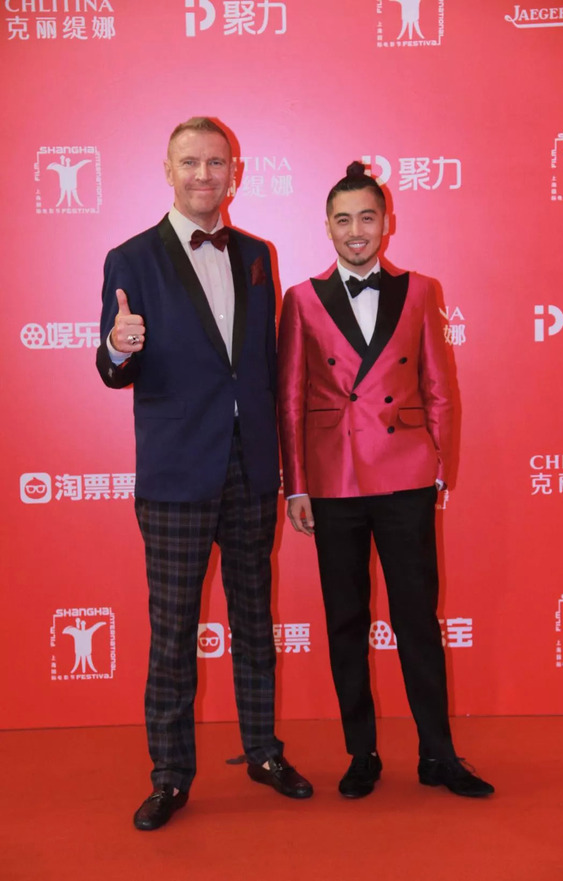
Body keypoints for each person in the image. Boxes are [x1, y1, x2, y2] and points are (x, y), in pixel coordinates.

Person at [97, 117, 313, 831]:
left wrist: (284, 467)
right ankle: (170, 776)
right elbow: (111, 366)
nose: (203, 175)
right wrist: (119, 345)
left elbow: (264, 366)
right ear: (168, 170)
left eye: (216, 163)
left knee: (254, 622)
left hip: (251, 468)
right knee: (173, 635)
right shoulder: (131, 258)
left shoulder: (256, 254)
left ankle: (263, 752)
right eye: (190, 162)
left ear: (234, 173)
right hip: (176, 472)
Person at [277, 161, 494, 800]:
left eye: (366, 218)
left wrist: (440, 468)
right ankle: (362, 753)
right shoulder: (302, 299)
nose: (356, 231)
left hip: (405, 475)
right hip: (333, 478)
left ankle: (438, 755)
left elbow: (439, 385)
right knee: (346, 620)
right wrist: (296, 484)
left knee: (417, 619)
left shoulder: (420, 290)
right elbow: (290, 398)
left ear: (386, 223)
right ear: (326, 226)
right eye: (343, 219)